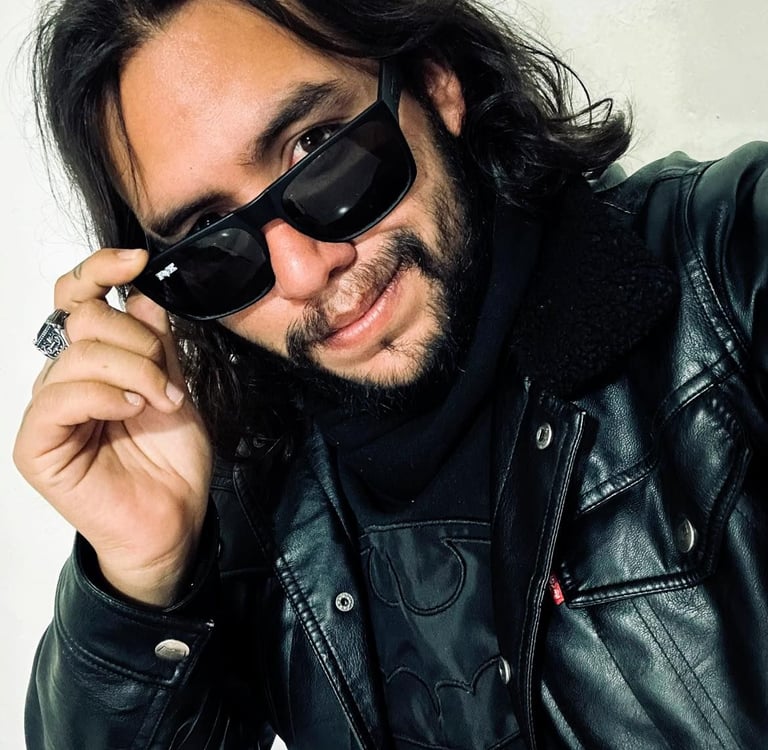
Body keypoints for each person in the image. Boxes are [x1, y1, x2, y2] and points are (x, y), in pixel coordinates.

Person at [14, 0, 768, 747]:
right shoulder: (254, 507)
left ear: (435, 83)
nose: (302, 270)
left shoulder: (727, 271)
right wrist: (141, 577)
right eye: (211, 235)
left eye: (318, 149)